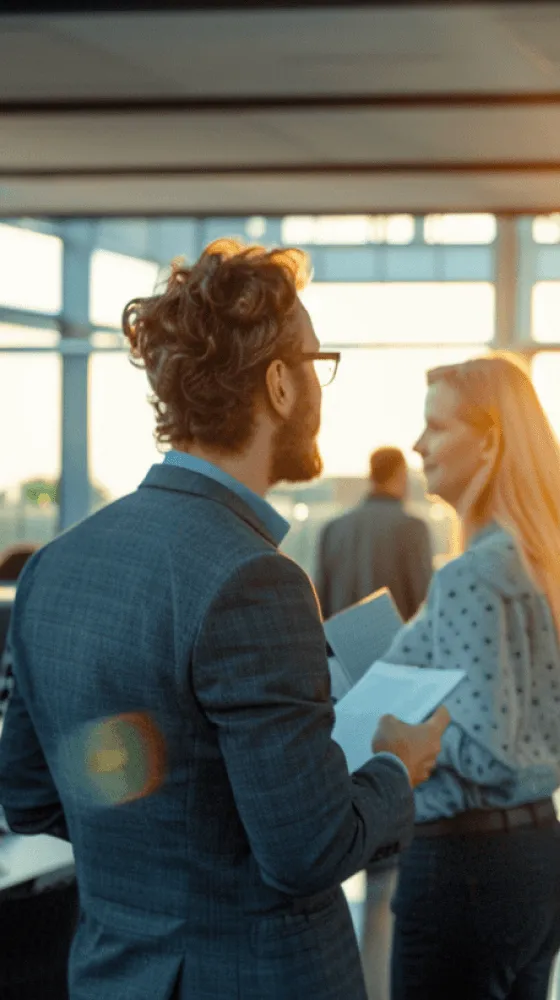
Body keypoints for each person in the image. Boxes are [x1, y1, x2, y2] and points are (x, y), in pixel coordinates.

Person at [0, 239, 448, 1000]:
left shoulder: (55, 566)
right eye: (316, 362)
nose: (318, 387)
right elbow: (308, 850)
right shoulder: (255, 580)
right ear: (278, 384)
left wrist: (169, 831)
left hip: (112, 976)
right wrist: (394, 767)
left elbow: (31, 795)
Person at [381, 354, 560, 1000]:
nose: (418, 444)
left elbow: (485, 749)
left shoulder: (468, 577)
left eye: (437, 427)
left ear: (488, 440)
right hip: (537, 855)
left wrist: (397, 732)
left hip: (464, 868)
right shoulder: (540, 566)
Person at [315, 446, 432, 622]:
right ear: (401, 474)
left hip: (343, 646)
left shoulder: (333, 529)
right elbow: (424, 603)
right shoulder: (412, 528)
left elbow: (320, 604)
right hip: (397, 646)